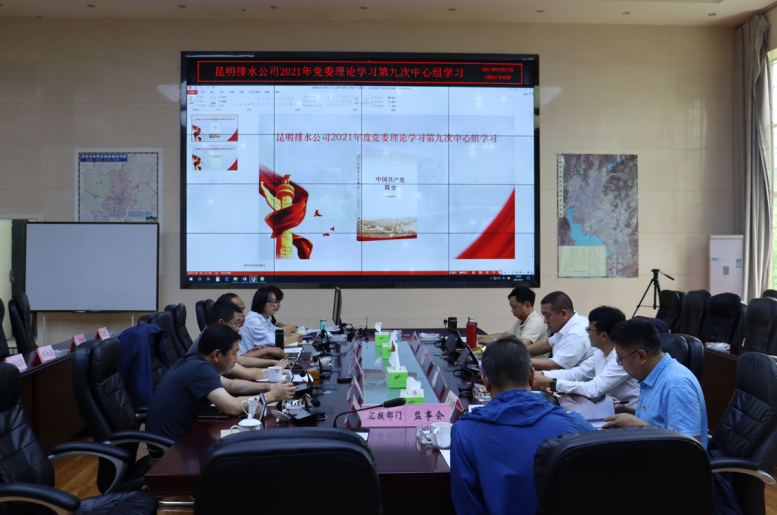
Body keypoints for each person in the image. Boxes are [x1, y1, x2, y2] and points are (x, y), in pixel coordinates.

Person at [451, 338, 594, 515]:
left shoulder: (464, 432)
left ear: (485, 382)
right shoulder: (574, 423)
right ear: (532, 376)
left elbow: (467, 505)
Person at [146, 324, 296, 442]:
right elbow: (231, 406)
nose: (236, 359)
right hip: (171, 451)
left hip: (183, 437)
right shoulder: (199, 369)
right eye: (234, 353)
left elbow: (230, 385)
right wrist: (272, 395)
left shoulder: (196, 362)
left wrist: (268, 386)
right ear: (217, 354)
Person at [602, 318, 708, 448]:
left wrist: (637, 425)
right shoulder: (651, 375)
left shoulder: (676, 385)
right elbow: (658, 421)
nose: (620, 365)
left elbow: (688, 448)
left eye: (621, 359)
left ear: (641, 356)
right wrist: (625, 410)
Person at [533, 306, 639, 405]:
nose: (587, 332)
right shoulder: (600, 353)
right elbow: (578, 373)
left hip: (630, 414)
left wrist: (552, 383)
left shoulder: (622, 358)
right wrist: (542, 374)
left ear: (603, 335)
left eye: (589, 329)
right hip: (609, 409)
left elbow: (594, 389)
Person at [189, 299, 290, 380]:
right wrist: (277, 369)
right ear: (221, 322)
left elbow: (240, 360)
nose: (238, 329)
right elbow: (248, 374)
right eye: (236, 323)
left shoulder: (215, 333)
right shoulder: (213, 340)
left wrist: (275, 364)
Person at [524, 291, 594, 371]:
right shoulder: (568, 324)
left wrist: (520, 360)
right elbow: (547, 344)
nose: (545, 321)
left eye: (547, 316)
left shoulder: (575, 333)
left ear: (563, 313)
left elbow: (556, 365)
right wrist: (521, 351)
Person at [477, 288, 548, 356]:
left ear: (527, 306)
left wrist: (494, 342)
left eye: (514, 307)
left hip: (531, 363)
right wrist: (480, 337)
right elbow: (503, 336)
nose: (512, 311)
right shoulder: (522, 320)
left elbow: (521, 346)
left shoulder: (534, 322)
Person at [215, 293, 283, 359]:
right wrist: (266, 351)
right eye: (240, 310)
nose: (244, 314)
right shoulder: (216, 335)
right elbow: (236, 360)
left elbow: (238, 357)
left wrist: (251, 352)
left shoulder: (231, 329)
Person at [239, 287, 302, 356]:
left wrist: (292, 335)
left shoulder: (264, 317)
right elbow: (273, 341)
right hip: (244, 358)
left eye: (276, 302)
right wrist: (294, 338)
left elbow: (275, 331)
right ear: (261, 302)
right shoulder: (254, 320)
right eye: (272, 302)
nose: (276, 305)